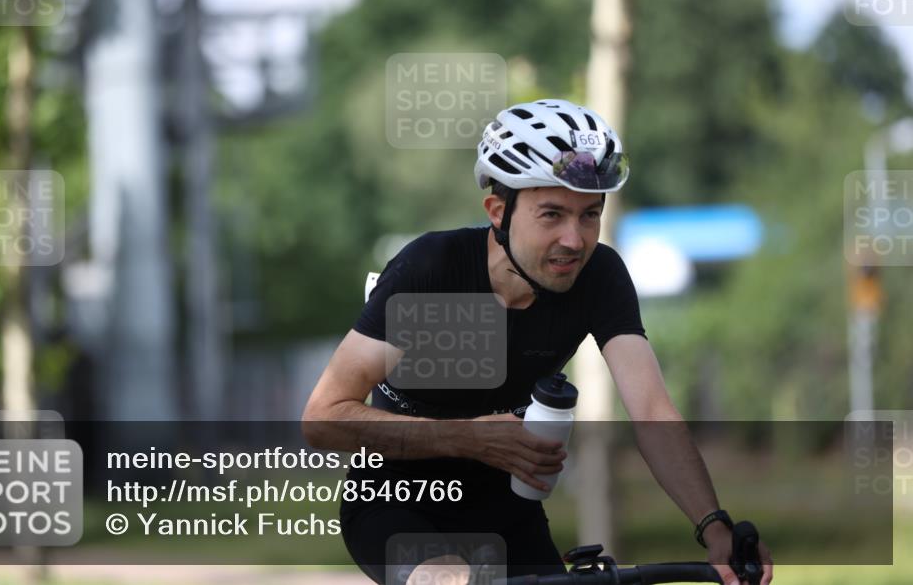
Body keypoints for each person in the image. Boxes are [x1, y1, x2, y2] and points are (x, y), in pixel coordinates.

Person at [302, 99, 774, 585]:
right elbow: (322, 417)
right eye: (552, 215)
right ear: (498, 212)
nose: (574, 239)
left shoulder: (600, 275)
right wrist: (472, 437)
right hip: (398, 505)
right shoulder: (431, 270)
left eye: (590, 215)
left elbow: (652, 409)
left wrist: (713, 527)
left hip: (510, 512)